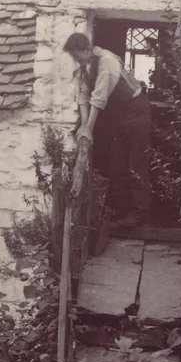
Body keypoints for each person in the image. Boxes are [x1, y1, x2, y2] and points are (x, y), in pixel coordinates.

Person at [63, 31, 152, 228]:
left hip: (136, 109)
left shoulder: (108, 62)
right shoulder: (86, 67)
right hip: (119, 113)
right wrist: (85, 127)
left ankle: (140, 214)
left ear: (86, 49)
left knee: (136, 160)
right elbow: (85, 96)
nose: (76, 61)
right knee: (117, 159)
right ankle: (121, 213)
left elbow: (99, 97)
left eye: (77, 56)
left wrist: (89, 129)